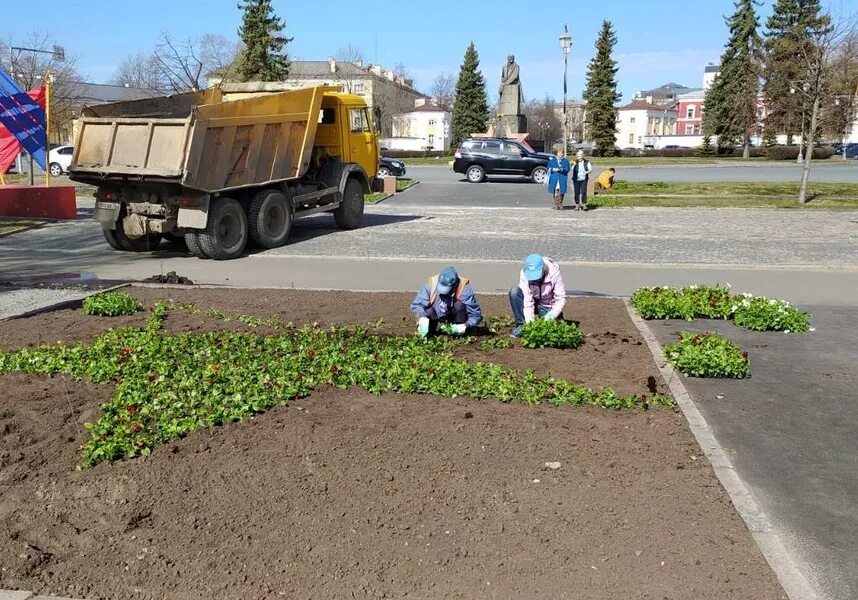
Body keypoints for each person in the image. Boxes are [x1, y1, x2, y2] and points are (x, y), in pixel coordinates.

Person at [411, 266, 482, 337]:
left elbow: (475, 315)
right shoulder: (430, 286)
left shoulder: (464, 290)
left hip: (455, 315)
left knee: (459, 305)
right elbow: (417, 305)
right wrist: (422, 317)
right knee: (427, 310)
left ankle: (460, 333)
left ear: (454, 286)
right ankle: (430, 332)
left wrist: (465, 325)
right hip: (436, 313)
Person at [508, 254, 566, 338]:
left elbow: (560, 298)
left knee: (549, 328)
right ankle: (522, 325)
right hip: (533, 302)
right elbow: (527, 301)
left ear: (543, 270)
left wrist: (552, 315)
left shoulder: (553, 272)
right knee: (514, 292)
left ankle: (553, 317)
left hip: (547, 304)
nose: (535, 279)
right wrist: (530, 324)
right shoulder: (524, 273)